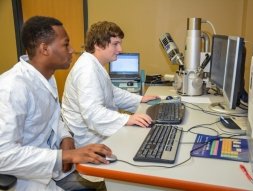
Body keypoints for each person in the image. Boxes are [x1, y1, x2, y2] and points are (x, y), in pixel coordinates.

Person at [0, 16, 112, 191]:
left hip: (54, 169)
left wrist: (65, 137)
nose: (72, 50)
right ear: (45, 49)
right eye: (66, 44)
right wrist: (64, 156)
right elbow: (3, 156)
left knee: (107, 179)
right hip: (28, 179)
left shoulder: (46, 77)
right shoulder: (12, 87)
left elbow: (54, 118)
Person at [61, 21, 159, 148]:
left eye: (120, 44)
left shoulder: (95, 64)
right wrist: (126, 119)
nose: (120, 49)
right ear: (97, 44)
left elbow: (112, 93)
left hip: (98, 133)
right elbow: (93, 114)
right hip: (89, 141)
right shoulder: (87, 70)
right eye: (115, 44)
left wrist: (140, 99)